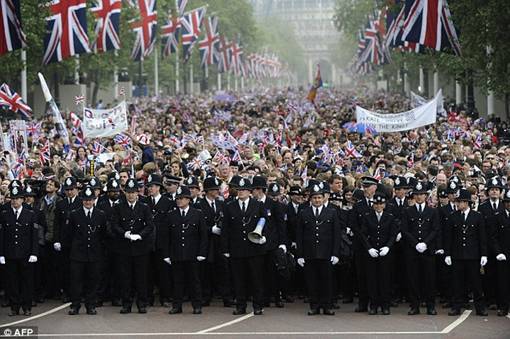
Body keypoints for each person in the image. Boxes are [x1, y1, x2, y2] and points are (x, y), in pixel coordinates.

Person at [221, 178, 267, 315]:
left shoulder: (258, 205)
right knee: (238, 280)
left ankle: (258, 305)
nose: (241, 192)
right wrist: (225, 249)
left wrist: (264, 237)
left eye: (244, 190)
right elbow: (226, 229)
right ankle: (240, 306)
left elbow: (265, 222)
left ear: (250, 191)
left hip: (254, 248)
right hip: (237, 249)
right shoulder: (230, 206)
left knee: (257, 279)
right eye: (239, 190)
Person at [296, 183, 341, 316]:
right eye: (314, 198)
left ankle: (327, 306)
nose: (317, 200)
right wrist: (300, 255)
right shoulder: (304, 213)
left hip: (326, 253)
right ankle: (314, 306)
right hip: (309, 253)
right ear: (311, 199)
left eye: (319, 197)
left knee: (327, 281)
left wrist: (335, 253)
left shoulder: (331, 212)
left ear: (324, 198)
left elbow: (336, 234)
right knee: (312, 282)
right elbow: (299, 235)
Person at [111, 178, 154, 314]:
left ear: (138, 193)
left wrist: (140, 235)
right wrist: (125, 234)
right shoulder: (118, 207)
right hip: (124, 247)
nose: (131, 195)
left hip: (140, 248)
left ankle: (142, 303)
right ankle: (126, 304)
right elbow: (114, 225)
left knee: (141, 277)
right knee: (125, 277)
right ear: (125, 193)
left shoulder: (144, 207)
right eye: (128, 192)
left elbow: (150, 225)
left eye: (133, 192)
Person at [163, 185, 208, 314]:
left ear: (188, 199)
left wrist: (202, 252)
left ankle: (197, 305)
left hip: (193, 253)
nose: (179, 200)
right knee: (177, 281)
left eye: (182, 198)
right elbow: (166, 236)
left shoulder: (197, 214)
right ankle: (177, 306)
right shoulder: (171, 215)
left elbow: (203, 235)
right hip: (176, 253)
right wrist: (166, 254)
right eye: (177, 198)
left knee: (194, 281)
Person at [444, 188, 488, 316]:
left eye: (461, 201)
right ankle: (456, 306)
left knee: (476, 283)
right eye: (457, 201)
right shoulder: (453, 217)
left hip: (473, 255)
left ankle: (480, 307)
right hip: (457, 255)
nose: (458, 204)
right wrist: (447, 254)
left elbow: (482, 237)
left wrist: (483, 254)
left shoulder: (477, 216)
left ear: (467, 202)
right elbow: (449, 237)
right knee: (457, 283)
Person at [401, 181, 440, 315]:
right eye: (417, 194)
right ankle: (414, 305)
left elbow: (435, 229)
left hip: (427, 250)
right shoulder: (408, 211)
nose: (419, 197)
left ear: (426, 195)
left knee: (429, 279)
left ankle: (430, 306)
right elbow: (405, 230)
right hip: (412, 250)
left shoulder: (432, 211)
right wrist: (415, 244)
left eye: (421, 194)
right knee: (413, 279)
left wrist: (425, 243)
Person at [67, 186, 108, 315]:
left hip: (95, 254)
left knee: (93, 281)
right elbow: (69, 235)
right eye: (85, 200)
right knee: (76, 281)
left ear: (94, 200)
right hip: (78, 254)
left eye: (90, 200)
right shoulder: (74, 214)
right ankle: (75, 305)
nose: (88, 202)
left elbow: (103, 235)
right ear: (82, 200)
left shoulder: (100, 215)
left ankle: (91, 305)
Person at [0, 185, 38, 316]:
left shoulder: (30, 214)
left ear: (22, 200)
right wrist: (1, 254)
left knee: (27, 282)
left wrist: (34, 253)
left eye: (17, 198)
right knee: (12, 282)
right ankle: (14, 307)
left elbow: (34, 235)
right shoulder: (5, 214)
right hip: (10, 253)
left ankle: (26, 306)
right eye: (13, 198)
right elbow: (2, 235)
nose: (14, 201)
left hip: (26, 254)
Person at [196, 176, 234, 307]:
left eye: (217, 188)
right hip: (206, 242)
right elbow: (196, 225)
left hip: (219, 242)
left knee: (223, 270)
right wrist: (210, 229)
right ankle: (206, 296)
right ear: (207, 190)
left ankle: (226, 297)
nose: (217, 191)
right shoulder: (199, 205)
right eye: (214, 189)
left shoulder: (221, 204)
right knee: (206, 271)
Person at [359, 191, 397, 315]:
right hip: (372, 253)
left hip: (385, 253)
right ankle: (374, 304)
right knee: (372, 279)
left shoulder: (390, 217)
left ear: (384, 205)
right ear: (373, 205)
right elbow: (363, 234)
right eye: (376, 204)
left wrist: (388, 247)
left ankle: (385, 305)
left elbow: (393, 234)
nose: (378, 206)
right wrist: (369, 248)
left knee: (385, 279)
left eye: (381, 204)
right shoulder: (367, 216)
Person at [350, 176, 379, 313]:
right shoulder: (358, 205)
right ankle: (363, 303)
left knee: (375, 276)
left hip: (376, 245)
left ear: (375, 188)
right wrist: (364, 240)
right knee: (361, 275)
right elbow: (354, 225)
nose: (366, 189)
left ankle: (375, 303)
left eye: (369, 187)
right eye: (364, 187)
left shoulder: (380, 203)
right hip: (361, 246)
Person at [53, 176, 82, 302]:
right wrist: (56, 240)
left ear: (76, 189)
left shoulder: (81, 202)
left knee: (78, 269)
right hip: (64, 241)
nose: (70, 192)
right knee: (65, 269)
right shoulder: (61, 204)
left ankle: (78, 292)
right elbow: (57, 223)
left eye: (72, 189)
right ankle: (66, 292)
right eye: (67, 189)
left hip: (77, 241)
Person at [493, 189, 510, 316]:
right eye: (507, 202)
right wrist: (498, 252)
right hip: (503, 255)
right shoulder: (498, 216)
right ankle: (503, 306)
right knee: (503, 282)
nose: (509, 204)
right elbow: (494, 237)